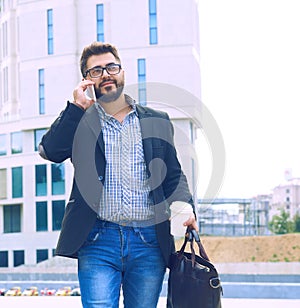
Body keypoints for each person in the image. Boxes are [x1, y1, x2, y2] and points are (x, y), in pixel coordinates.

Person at [38, 42, 198, 308]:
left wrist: (184, 206)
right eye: (96, 71)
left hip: (149, 241)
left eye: (112, 67)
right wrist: (76, 108)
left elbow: (173, 175)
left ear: (122, 71)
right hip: (99, 239)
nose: (106, 74)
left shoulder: (156, 120)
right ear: (86, 80)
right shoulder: (81, 121)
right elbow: (50, 150)